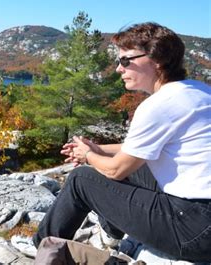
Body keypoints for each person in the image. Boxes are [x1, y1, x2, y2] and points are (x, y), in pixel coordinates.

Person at [33, 22, 211, 262]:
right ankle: (112, 233)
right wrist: (99, 149)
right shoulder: (198, 91)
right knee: (139, 167)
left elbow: (116, 170)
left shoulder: (158, 106)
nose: (119, 68)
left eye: (126, 60)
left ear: (157, 60)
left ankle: (43, 247)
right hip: (201, 219)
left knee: (81, 180)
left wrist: (88, 156)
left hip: (194, 229)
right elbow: (141, 149)